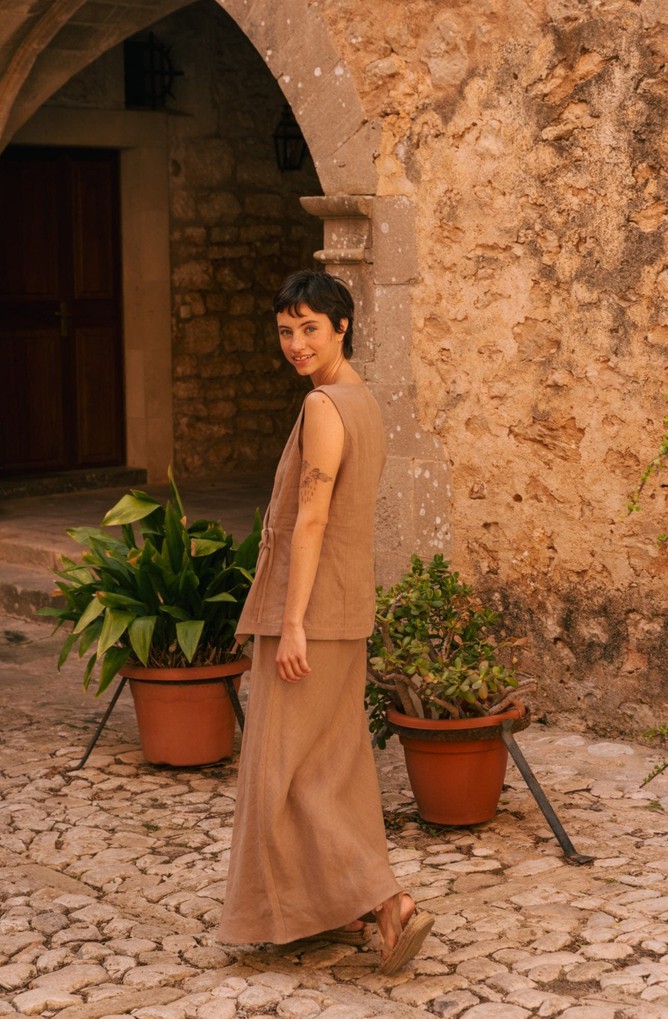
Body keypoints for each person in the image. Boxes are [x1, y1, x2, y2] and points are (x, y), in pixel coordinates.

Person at [218, 269, 433, 973]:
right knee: (333, 768)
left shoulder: (323, 408)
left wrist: (294, 621)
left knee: (287, 772)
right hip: (348, 608)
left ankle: (386, 901)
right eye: (285, 330)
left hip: (309, 614)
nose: (296, 343)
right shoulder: (363, 401)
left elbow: (311, 518)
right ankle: (334, 904)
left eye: (310, 327)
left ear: (342, 325)